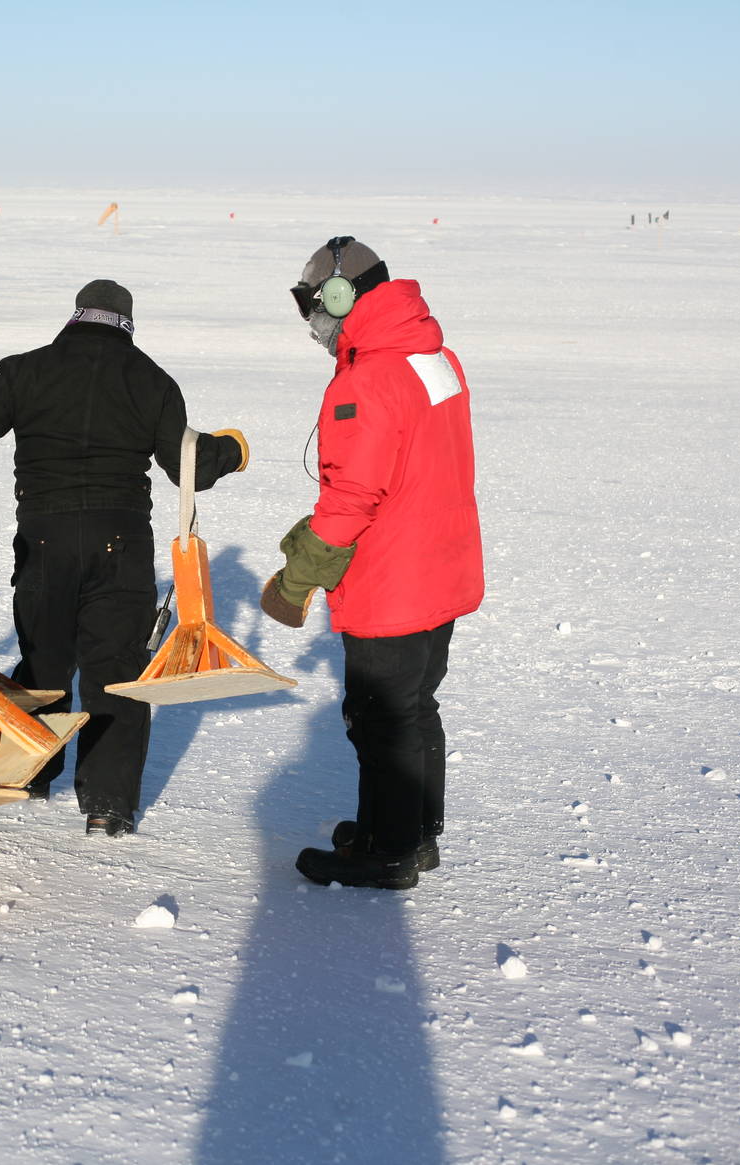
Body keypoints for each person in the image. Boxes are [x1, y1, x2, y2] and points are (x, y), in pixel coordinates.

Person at [0, 280, 249, 836]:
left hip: (44, 539)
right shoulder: (150, 379)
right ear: (127, 324)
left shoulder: (27, 370)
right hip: (121, 542)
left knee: (44, 659)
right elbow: (188, 467)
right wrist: (232, 449)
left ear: (77, 316)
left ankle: (31, 771)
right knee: (116, 669)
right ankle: (107, 805)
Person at [263, 237, 483, 889]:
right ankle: (413, 832)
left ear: (339, 297)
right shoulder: (433, 357)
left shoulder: (365, 379)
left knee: (381, 718)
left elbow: (352, 496)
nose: (311, 323)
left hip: (393, 582)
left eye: (312, 306)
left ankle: (386, 853)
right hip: (442, 567)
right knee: (415, 706)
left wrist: (292, 581)